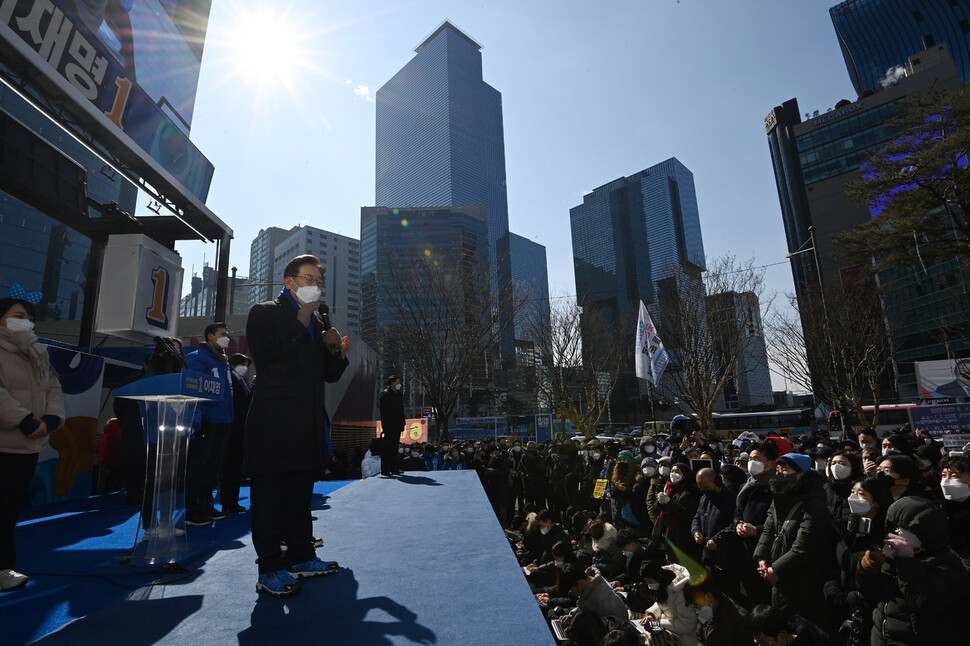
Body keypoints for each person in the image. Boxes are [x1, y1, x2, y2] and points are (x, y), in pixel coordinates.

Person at [245, 254, 350, 596]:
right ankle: (270, 569)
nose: (315, 285)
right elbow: (265, 353)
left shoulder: (319, 324)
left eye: (318, 280)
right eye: (308, 279)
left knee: (300, 497)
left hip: (305, 424)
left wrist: (336, 352)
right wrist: (302, 317)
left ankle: (302, 557)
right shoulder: (265, 312)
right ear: (288, 282)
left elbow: (329, 376)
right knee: (270, 499)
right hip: (273, 423)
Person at [0, 297, 64, 591]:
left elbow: (53, 389)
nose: (25, 320)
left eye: (29, 316)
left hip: (27, 446)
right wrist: (24, 419)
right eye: (18, 315)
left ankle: (3, 569)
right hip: (5, 439)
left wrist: (49, 420)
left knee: (9, 510)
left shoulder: (39, 353)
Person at [856, 496, 967, 645]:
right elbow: (871, 593)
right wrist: (867, 568)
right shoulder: (891, 551)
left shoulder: (948, 565)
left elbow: (925, 603)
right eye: (896, 528)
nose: (899, 534)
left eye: (907, 530)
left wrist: (907, 562)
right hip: (881, 638)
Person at [753, 452, 834, 631]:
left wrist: (778, 568)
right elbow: (768, 530)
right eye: (779, 469)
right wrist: (762, 558)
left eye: (786, 469)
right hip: (775, 575)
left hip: (803, 578)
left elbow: (806, 544)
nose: (781, 473)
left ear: (802, 474)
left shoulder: (814, 503)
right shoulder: (778, 498)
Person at [183, 322, 235, 525]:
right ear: (210, 336)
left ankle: (206, 505)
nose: (227, 337)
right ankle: (193, 510)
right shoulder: (197, 358)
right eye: (223, 334)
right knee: (199, 466)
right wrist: (197, 418)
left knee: (213, 467)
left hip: (224, 420)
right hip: (207, 420)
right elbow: (194, 390)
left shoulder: (224, 361)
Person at [219, 353, 251, 513]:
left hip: (240, 431)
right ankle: (228, 502)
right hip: (232, 430)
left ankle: (232, 501)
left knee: (236, 468)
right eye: (244, 364)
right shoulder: (230, 380)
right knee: (230, 468)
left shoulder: (240, 381)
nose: (246, 368)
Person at [378, 376, 405, 476]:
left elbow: (401, 410)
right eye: (398, 382)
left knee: (394, 448)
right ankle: (385, 469)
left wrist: (402, 424)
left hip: (397, 425)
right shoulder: (385, 394)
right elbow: (384, 413)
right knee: (387, 449)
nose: (399, 384)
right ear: (392, 383)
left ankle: (394, 468)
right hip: (389, 426)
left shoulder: (399, 394)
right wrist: (385, 427)